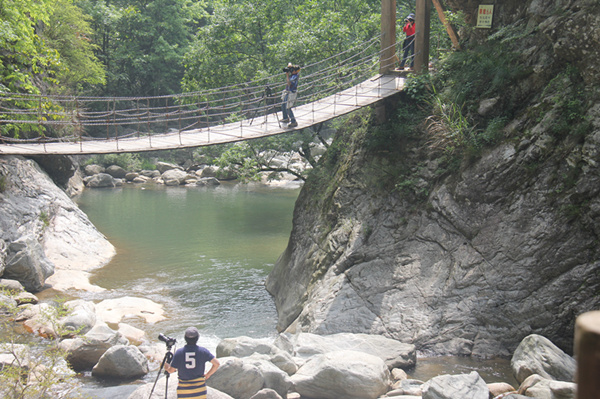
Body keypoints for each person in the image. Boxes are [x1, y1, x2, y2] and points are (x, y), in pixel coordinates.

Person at [165, 327, 220, 399]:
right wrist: (208, 375)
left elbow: (171, 370)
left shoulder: (179, 352)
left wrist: (166, 365)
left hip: (184, 391)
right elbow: (217, 364)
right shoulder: (203, 351)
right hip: (199, 390)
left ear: (185, 338)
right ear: (197, 338)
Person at [281, 63, 300, 128]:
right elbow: (289, 64)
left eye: (293, 70)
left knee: (288, 107)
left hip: (291, 92)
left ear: (295, 71)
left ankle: (293, 121)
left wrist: (287, 75)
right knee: (283, 104)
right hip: (288, 91)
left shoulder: (294, 76)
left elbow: (289, 83)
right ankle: (285, 118)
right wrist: (289, 66)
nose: (291, 70)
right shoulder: (293, 74)